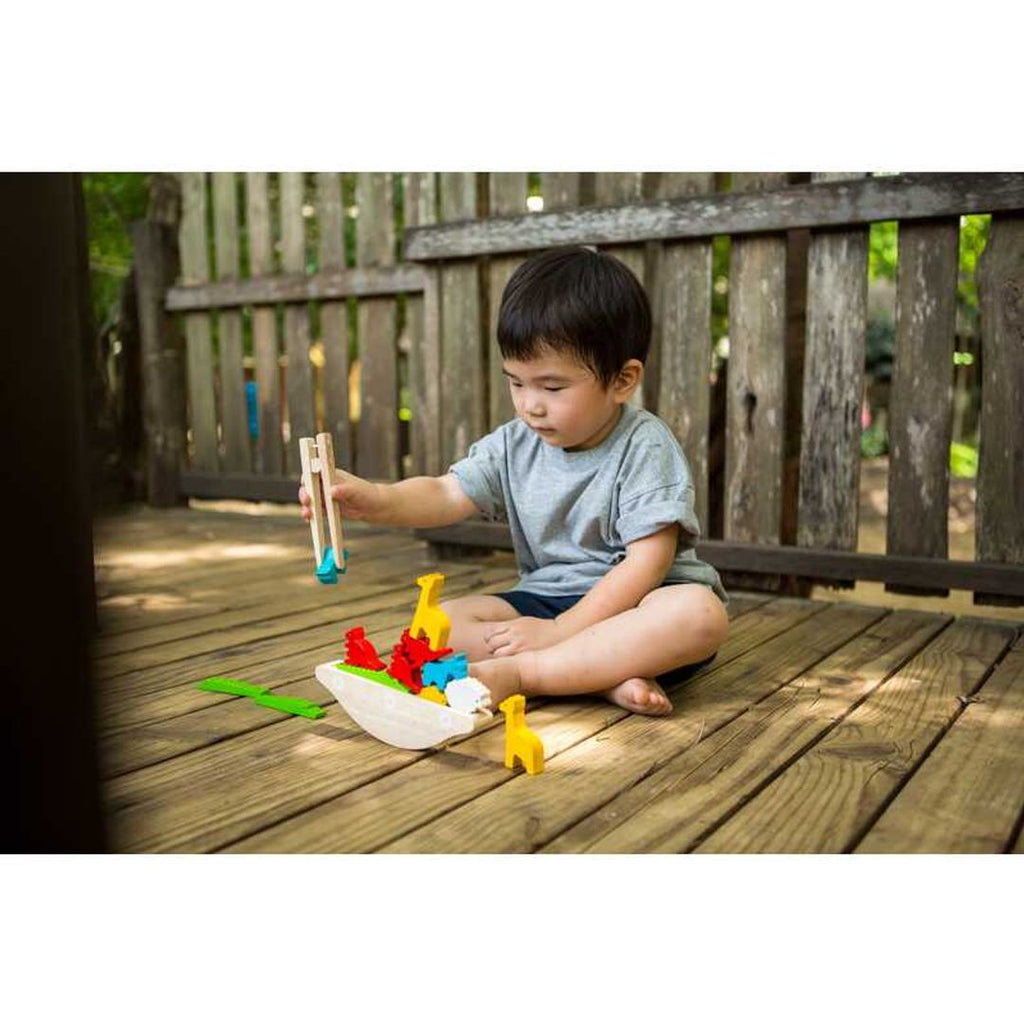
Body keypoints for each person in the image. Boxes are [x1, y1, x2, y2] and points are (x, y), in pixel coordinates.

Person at [300, 245, 728, 716]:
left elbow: (647, 562)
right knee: (435, 626)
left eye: (552, 386)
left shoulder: (644, 445)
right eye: (516, 383)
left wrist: (563, 630)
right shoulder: (514, 443)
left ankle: (530, 673)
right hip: (546, 599)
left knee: (699, 615)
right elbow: (445, 492)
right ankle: (598, 675)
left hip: (638, 606)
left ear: (622, 380)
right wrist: (373, 499)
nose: (530, 405)